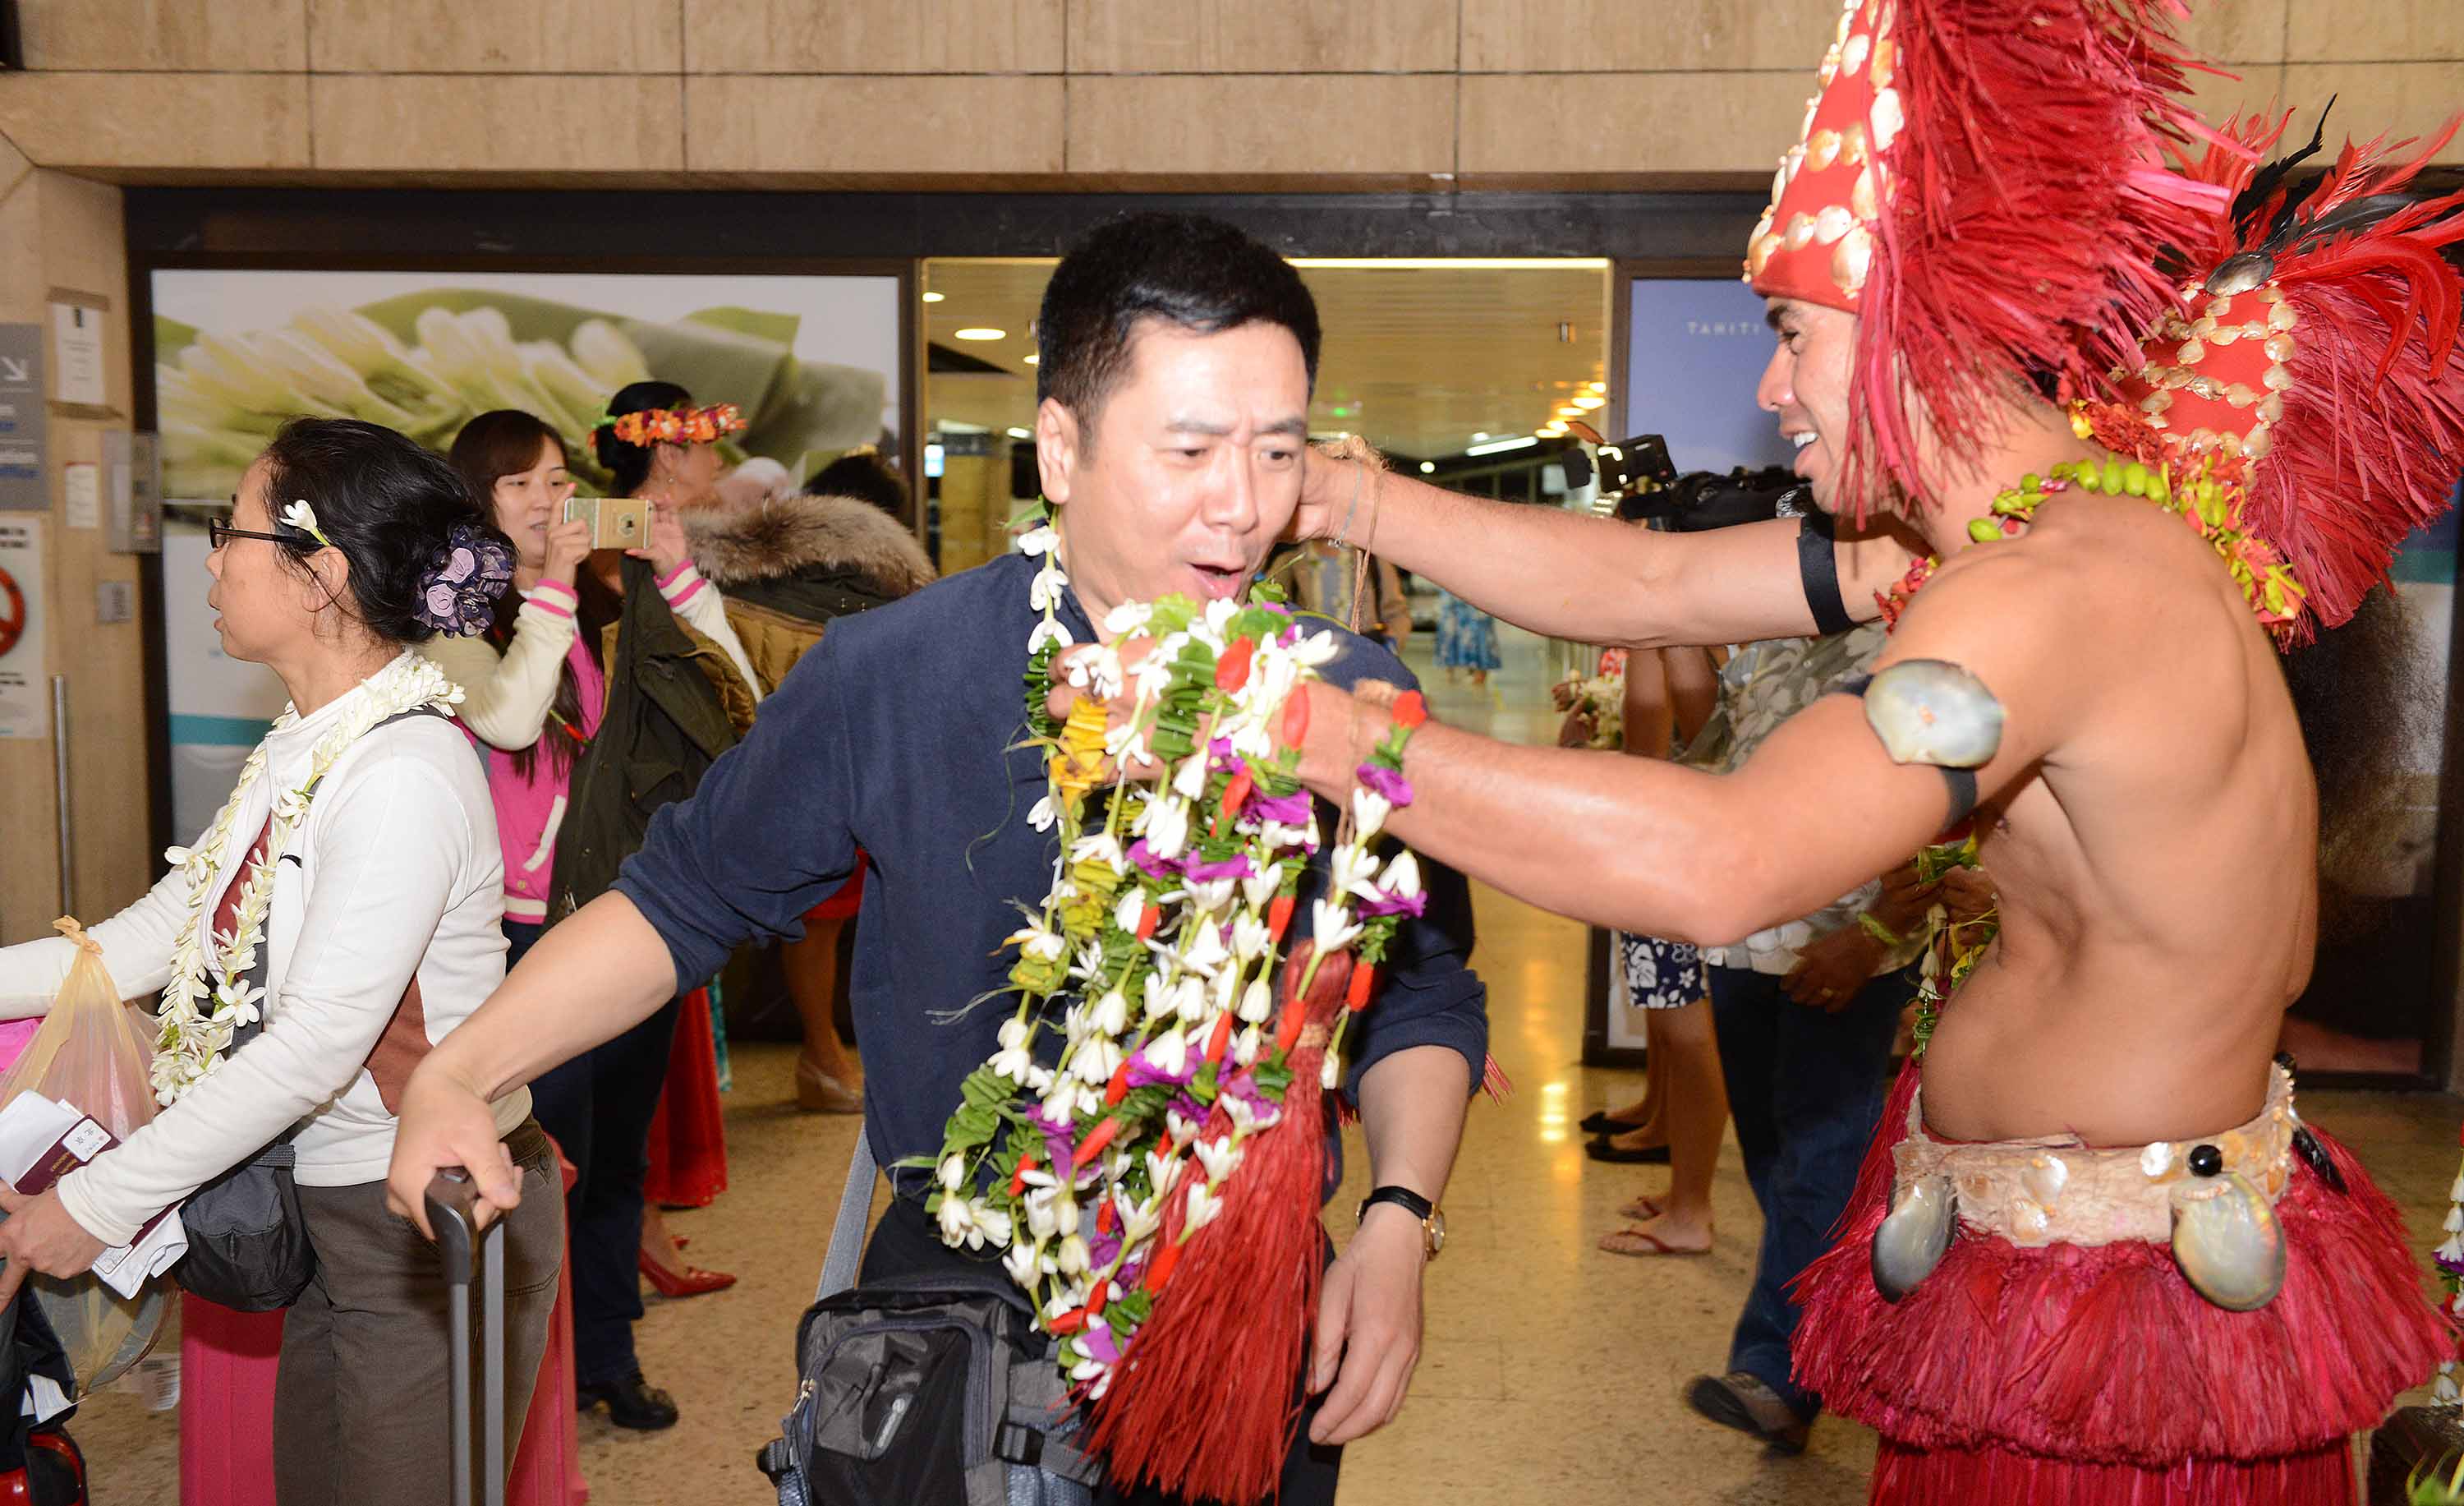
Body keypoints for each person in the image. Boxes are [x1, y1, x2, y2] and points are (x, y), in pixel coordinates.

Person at [1060, 19, 2462, 1499]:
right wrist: (1343, 499)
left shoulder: (2056, 597)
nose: (1773, 392)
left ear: (1918, 316)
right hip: (2050, 1275)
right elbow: (1648, 590)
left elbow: (1724, 866)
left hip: (2118, 1326)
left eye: (1794, 337)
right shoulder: (1984, 546)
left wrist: (1317, 728)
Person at [388, 212, 1487, 1503]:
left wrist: (1400, 1220)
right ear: (1061, 446)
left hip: (1243, 1324)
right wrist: (463, 1067)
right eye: (1189, 450)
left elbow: (1418, 990)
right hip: (959, 1326)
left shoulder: (1345, 697)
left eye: (1278, 451)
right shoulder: (898, 674)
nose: (1242, 505)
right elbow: (680, 900)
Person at [0, 417, 560, 1504]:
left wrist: (98, 1202)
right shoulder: (308, 742)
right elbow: (153, 936)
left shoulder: (399, 770)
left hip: (428, 1219)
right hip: (337, 1207)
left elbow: (314, 1048)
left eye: (232, 529)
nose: (211, 559)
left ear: (321, 574)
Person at [430, 395, 755, 1434]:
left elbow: (735, 699)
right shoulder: (451, 624)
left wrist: (678, 573)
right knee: (536, 1167)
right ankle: (526, 1375)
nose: (549, 500)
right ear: (475, 501)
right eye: (521, 483)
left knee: (618, 1161)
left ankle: (606, 1357)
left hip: (621, 924)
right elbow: (513, 717)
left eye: (561, 480)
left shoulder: (594, 616)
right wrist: (556, 589)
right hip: (523, 937)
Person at [684, 444, 939, 1112]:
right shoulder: (866, 578)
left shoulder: (756, 567)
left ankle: (823, 1056)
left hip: (761, 755)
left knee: (818, 919)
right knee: (823, 921)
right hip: (843, 765)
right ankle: (822, 1055)